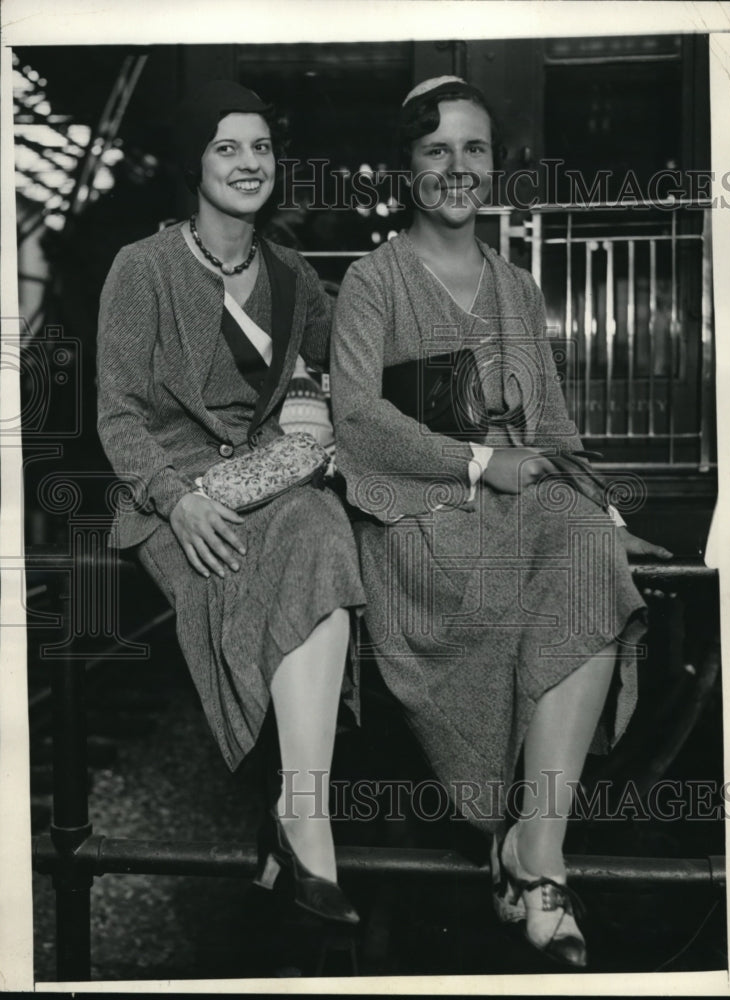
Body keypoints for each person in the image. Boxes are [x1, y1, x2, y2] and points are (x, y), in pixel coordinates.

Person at [330, 76, 672, 965]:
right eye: (436, 150)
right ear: (408, 169)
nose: (457, 168)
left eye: (473, 149)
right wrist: (481, 461)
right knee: (536, 556)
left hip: (520, 503)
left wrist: (600, 511)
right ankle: (529, 860)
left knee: (594, 554)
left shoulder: (516, 287)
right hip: (420, 516)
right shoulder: (374, 279)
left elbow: (551, 429)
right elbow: (359, 421)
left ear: (495, 165)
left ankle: (538, 843)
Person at [97, 80, 365, 925]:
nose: (250, 163)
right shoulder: (142, 269)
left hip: (267, 480)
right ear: (196, 163)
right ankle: (297, 825)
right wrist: (175, 501)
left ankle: (302, 812)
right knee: (290, 550)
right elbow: (118, 414)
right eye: (227, 147)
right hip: (173, 494)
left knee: (321, 528)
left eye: (261, 147)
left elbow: (342, 372)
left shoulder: (291, 274)